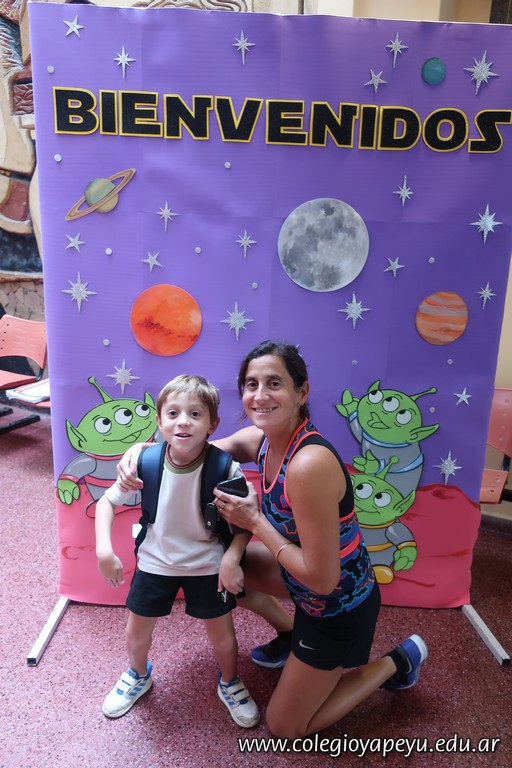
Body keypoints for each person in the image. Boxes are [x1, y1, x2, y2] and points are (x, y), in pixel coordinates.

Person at [118, 342, 428, 738]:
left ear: (302, 392)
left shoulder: (308, 464)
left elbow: (323, 580)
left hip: (336, 605)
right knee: (222, 573)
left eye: (274, 383)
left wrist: (255, 522)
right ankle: (290, 635)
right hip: (300, 583)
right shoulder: (261, 440)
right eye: (252, 384)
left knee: (285, 726)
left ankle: (397, 662)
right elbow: (187, 449)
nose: (260, 395)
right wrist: (138, 452)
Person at [95, 374, 263, 727]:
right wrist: (103, 551)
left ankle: (230, 680)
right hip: (155, 562)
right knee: (136, 633)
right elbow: (106, 503)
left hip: (208, 564)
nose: (183, 421)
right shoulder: (144, 461)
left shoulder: (224, 467)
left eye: (194, 414)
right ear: (159, 421)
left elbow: (248, 521)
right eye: (173, 413)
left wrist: (232, 558)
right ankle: (138, 674)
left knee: (223, 637)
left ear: (212, 424)